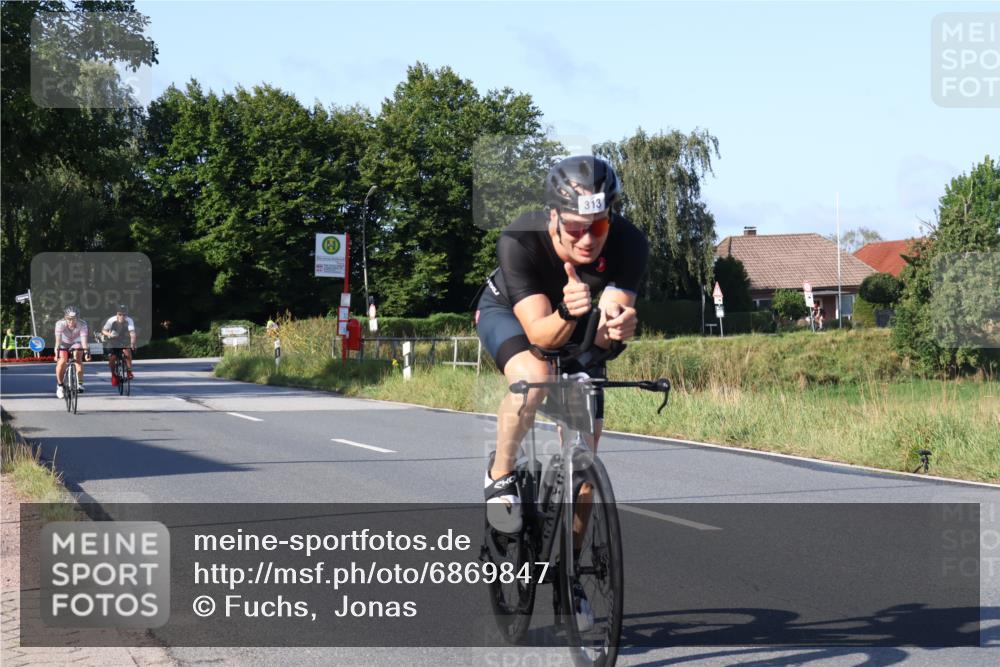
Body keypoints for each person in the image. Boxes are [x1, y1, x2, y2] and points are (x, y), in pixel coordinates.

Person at [475, 155, 649, 627]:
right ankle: (500, 474)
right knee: (536, 376)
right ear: (553, 216)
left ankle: (569, 575)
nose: (588, 240)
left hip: (577, 325)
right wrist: (570, 314)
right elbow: (540, 335)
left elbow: (609, 318)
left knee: (585, 476)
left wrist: (620, 327)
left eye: (599, 226)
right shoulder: (520, 239)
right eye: (575, 228)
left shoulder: (630, 243)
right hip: (513, 315)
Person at [54, 306, 89, 397]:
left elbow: (84, 341)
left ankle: (80, 384)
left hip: (76, 342)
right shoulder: (60, 324)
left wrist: (86, 352)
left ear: (78, 318)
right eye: (69, 319)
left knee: (77, 357)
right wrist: (56, 353)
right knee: (62, 362)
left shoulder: (83, 324)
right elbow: (58, 341)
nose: (71, 321)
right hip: (63, 343)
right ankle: (60, 385)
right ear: (65, 317)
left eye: (74, 319)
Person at [102, 305, 136, 385]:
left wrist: (132, 343)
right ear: (117, 314)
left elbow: (132, 333)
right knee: (112, 358)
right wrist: (109, 334)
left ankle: (129, 372)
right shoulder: (111, 320)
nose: (122, 316)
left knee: (128, 352)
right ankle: (114, 375)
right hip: (112, 339)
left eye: (124, 315)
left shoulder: (129, 320)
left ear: (126, 315)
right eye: (120, 314)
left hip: (123, 339)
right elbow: (103, 331)